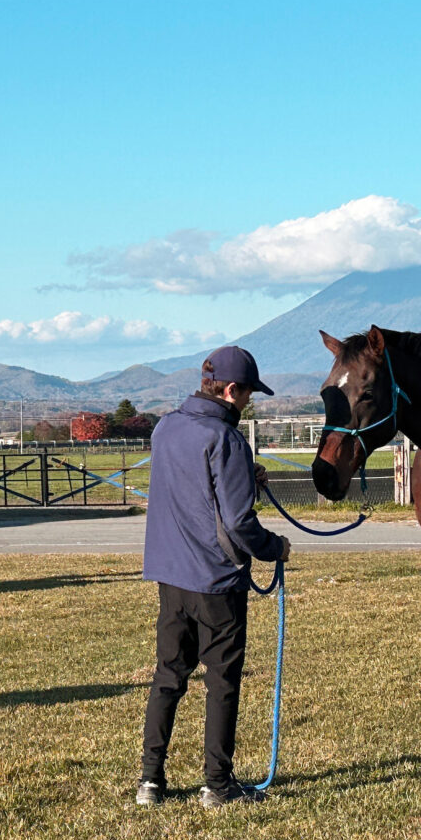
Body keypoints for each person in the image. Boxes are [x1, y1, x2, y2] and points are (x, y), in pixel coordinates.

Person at [137, 345, 291, 809]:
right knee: (222, 680)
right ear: (229, 389)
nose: (247, 404)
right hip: (217, 580)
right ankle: (218, 786)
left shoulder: (166, 427)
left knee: (169, 675)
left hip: (170, 575)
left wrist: (245, 472)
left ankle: (150, 782)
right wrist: (274, 548)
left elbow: (191, 484)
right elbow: (240, 523)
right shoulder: (226, 441)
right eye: (246, 395)